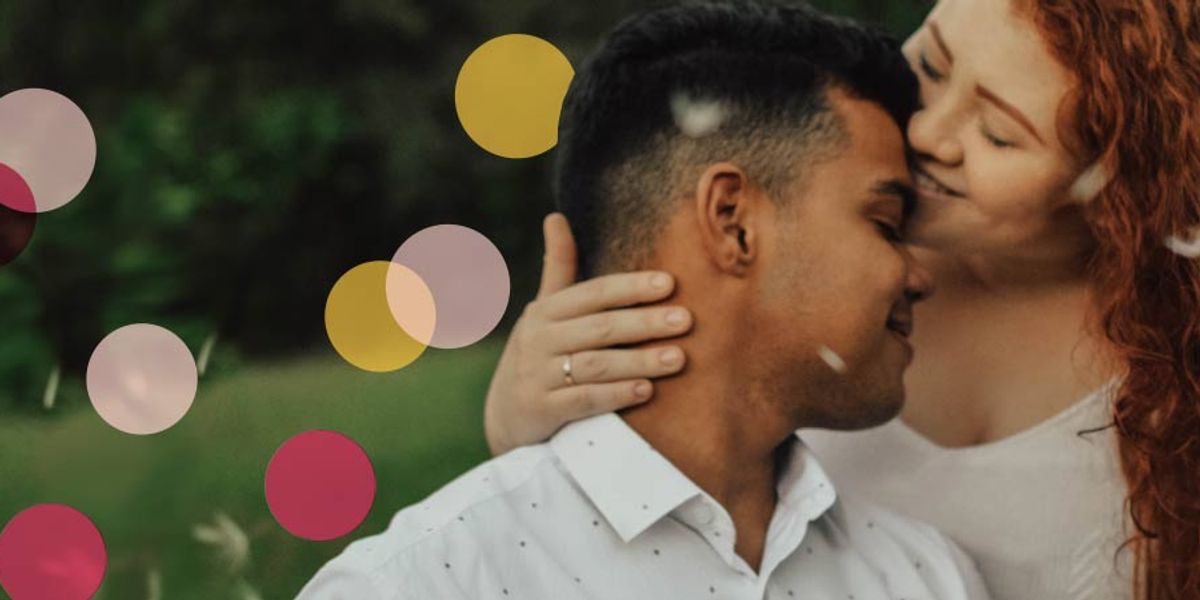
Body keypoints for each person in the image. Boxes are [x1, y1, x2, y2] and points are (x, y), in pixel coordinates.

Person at [482, 0, 1200, 599]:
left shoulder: (1177, 380)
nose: (926, 132)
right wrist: (524, 430)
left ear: (1120, 195)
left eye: (997, 133)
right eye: (934, 65)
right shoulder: (796, 256)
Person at [298, 2, 993, 598]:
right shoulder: (420, 584)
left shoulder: (925, 576)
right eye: (885, 223)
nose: (919, 274)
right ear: (733, 221)